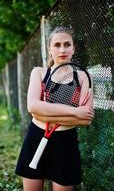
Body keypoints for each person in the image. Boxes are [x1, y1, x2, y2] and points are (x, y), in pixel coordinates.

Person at [15, 27, 94, 191]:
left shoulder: (83, 77)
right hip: (36, 137)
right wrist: (74, 111)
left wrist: (44, 112)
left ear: (74, 48)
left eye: (67, 44)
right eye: (57, 45)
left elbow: (85, 118)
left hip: (66, 142)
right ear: (49, 48)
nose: (62, 49)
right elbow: (33, 106)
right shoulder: (39, 72)